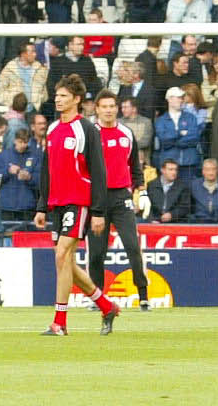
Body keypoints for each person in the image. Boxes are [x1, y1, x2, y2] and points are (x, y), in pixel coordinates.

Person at [35, 76, 123, 337]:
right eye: (56, 95)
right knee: (65, 262)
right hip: (57, 204)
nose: (57, 100)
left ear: (76, 99)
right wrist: (42, 206)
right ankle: (106, 305)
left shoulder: (86, 129)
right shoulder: (52, 130)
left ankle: (59, 322)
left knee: (62, 255)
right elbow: (46, 171)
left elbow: (99, 172)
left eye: (63, 96)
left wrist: (98, 211)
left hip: (79, 201)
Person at [88, 88, 151, 307]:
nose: (108, 110)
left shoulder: (126, 133)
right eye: (104, 106)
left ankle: (143, 296)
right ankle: (97, 299)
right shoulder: (89, 134)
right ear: (96, 109)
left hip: (122, 197)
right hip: (96, 198)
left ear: (117, 109)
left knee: (133, 246)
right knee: (97, 252)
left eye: (112, 106)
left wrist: (141, 191)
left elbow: (135, 166)